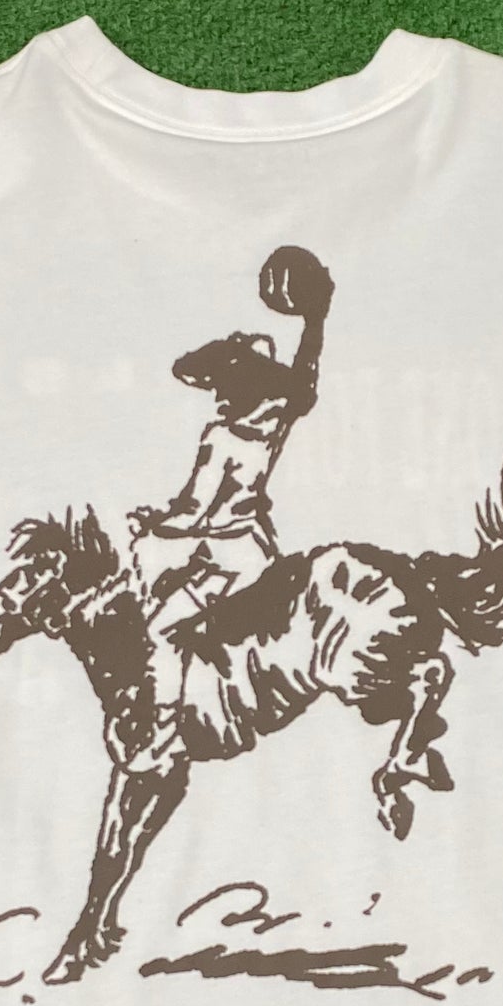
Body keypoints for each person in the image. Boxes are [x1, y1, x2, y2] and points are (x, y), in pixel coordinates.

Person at [126, 245, 333, 733]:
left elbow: (194, 510)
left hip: (225, 553)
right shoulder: (272, 422)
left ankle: (163, 729)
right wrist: (315, 320)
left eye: (223, 382)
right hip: (252, 548)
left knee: (159, 628)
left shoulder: (221, 436)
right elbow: (304, 378)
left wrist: (154, 524)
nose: (216, 392)